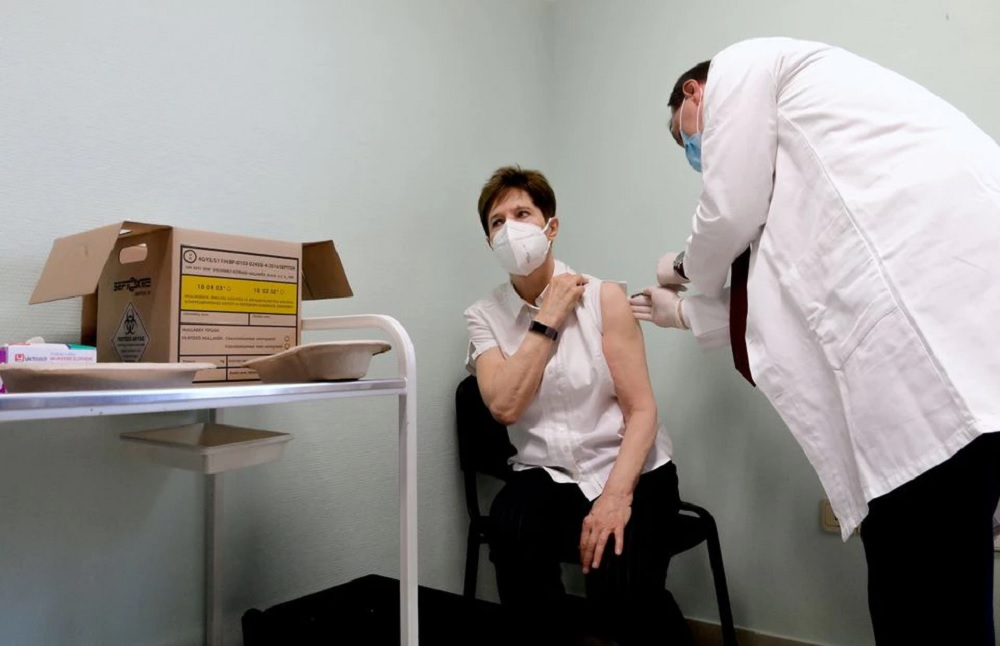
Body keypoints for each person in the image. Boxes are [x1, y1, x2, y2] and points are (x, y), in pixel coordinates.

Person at [629, 37, 1000, 645]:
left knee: (927, 587)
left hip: (933, 366)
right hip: (947, 365)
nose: (695, 153)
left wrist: (685, 267)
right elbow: (783, 305)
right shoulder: (798, 172)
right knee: (928, 581)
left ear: (696, 92)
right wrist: (683, 314)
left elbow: (726, 214)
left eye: (687, 137)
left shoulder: (744, 67)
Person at [465, 166, 692, 646]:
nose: (510, 228)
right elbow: (504, 407)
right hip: (549, 474)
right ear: (489, 242)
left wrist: (614, 497)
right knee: (510, 526)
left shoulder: (604, 297)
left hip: (632, 467)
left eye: (522, 213)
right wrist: (546, 319)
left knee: (619, 576)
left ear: (551, 226)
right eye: (497, 222)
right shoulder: (483, 317)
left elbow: (642, 411)